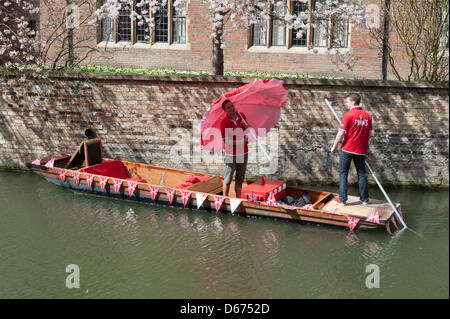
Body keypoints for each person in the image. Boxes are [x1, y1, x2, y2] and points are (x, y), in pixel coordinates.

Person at [330, 93, 372, 206]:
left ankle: (342, 200)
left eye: (347, 102)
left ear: (353, 102)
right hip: (361, 150)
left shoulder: (348, 115)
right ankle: (364, 199)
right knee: (362, 173)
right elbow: (369, 134)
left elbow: (341, 133)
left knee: (343, 173)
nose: (346, 104)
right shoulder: (368, 116)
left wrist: (334, 146)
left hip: (347, 149)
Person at [220, 99, 250, 198]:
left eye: (232, 105)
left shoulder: (241, 116)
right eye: (228, 107)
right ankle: (225, 198)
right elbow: (228, 142)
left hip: (243, 152)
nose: (231, 108)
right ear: (225, 111)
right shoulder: (225, 123)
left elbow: (245, 131)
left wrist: (248, 128)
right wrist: (242, 142)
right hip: (231, 154)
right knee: (228, 178)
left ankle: (238, 199)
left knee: (240, 179)